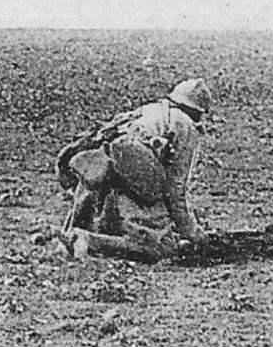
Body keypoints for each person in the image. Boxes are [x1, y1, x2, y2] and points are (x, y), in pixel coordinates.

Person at [42, 78, 214, 261]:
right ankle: (88, 240)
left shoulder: (150, 110)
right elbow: (175, 188)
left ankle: (68, 241)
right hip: (131, 176)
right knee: (161, 248)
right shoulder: (184, 125)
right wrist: (192, 233)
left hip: (98, 165)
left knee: (103, 225)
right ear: (197, 111)